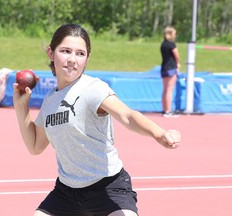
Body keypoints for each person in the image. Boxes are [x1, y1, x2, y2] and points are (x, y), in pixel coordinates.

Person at [13, 23, 181, 216]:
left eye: (80, 53)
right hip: (66, 193)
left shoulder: (92, 89)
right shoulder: (50, 100)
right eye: (65, 51)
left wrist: (159, 133)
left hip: (108, 187)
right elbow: (35, 146)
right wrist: (21, 108)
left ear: (87, 58)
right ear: (51, 53)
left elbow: (127, 115)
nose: (72, 60)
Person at [160, 26, 181, 117]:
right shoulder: (171, 44)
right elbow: (176, 55)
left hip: (164, 67)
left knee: (165, 90)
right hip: (171, 68)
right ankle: (168, 111)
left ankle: (165, 109)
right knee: (169, 90)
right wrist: (178, 63)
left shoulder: (163, 44)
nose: (175, 35)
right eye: (174, 33)